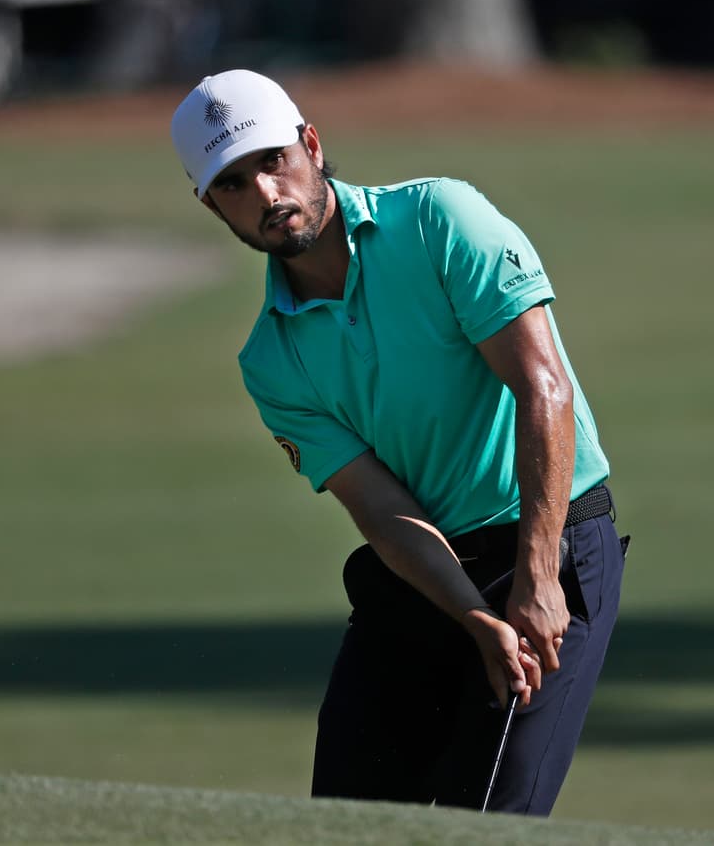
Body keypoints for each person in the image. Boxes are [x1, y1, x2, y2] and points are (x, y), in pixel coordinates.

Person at [169, 69, 627, 815]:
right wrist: (471, 616)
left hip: (549, 542)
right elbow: (382, 512)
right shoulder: (270, 360)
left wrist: (537, 578)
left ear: (312, 145)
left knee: (486, 821)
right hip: (424, 576)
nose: (266, 194)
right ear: (209, 203)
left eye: (273, 160)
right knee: (348, 818)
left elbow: (543, 388)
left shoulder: (439, 218)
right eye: (232, 183)